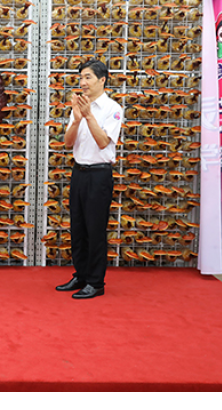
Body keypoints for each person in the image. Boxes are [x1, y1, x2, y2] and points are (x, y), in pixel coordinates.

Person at [56, 59, 123, 299]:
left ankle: (96, 282)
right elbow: (68, 142)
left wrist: (88, 116)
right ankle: (81, 275)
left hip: (99, 175)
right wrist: (76, 119)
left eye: (88, 77)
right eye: (81, 77)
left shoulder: (112, 108)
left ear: (102, 80)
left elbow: (104, 142)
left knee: (95, 229)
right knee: (78, 228)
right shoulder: (78, 106)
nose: (83, 82)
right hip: (79, 172)